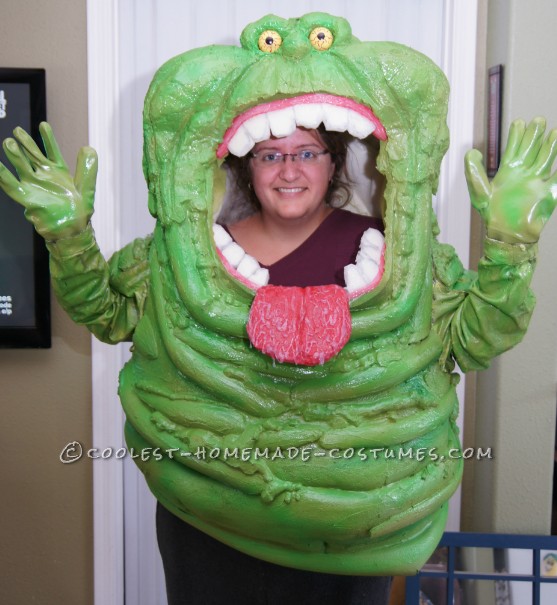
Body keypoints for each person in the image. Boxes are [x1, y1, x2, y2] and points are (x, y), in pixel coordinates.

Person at [155, 125, 393, 605]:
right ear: (247, 167)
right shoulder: (201, 249)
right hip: (215, 512)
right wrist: (69, 239)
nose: (289, 170)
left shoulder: (380, 247)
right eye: (269, 156)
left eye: (307, 153)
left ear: (333, 162)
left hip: (342, 511)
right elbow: (131, 328)